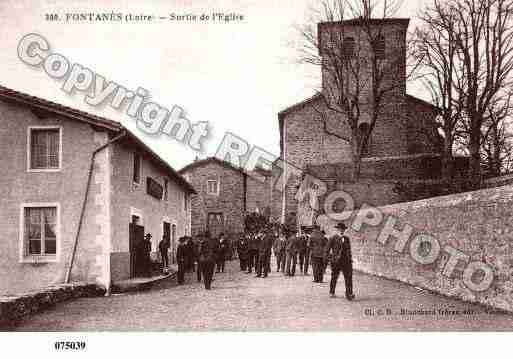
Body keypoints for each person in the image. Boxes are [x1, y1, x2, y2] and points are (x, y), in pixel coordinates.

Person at [324, 222, 355, 300]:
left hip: (346, 261)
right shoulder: (333, 238)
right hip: (336, 262)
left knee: (348, 277)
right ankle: (332, 292)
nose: (341, 231)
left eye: (343, 229)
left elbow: (349, 250)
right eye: (340, 229)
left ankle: (349, 294)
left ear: (344, 230)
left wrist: (350, 259)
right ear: (337, 230)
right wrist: (329, 259)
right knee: (334, 277)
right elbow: (327, 249)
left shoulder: (347, 239)